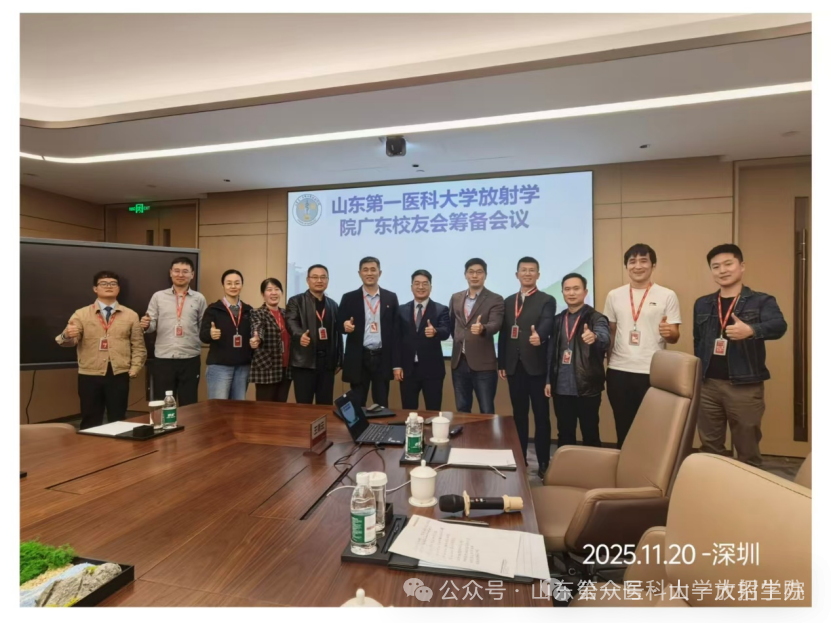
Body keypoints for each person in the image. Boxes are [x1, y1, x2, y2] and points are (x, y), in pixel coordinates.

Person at [694, 244, 787, 467]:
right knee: (710, 447)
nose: (722, 270)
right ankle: (712, 485)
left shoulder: (762, 301)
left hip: (744, 386)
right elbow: (698, 340)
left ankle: (746, 487)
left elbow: (779, 326)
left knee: (747, 449)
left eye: (728, 264)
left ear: (741, 266)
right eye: (716, 266)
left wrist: (752, 330)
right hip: (708, 385)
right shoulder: (703, 303)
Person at [604, 243, 682, 448]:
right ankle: (624, 465)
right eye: (632, 262)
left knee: (651, 428)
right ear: (626, 266)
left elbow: (674, 335)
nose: (637, 266)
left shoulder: (667, 295)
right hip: (619, 371)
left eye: (643, 261)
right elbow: (611, 331)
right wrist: (608, 363)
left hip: (652, 371)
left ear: (653, 265)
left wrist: (670, 333)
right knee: (623, 427)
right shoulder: (614, 295)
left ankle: (649, 466)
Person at [56, 271, 146, 429]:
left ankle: (118, 445)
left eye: (113, 283)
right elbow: (67, 341)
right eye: (104, 283)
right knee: (90, 420)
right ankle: (90, 445)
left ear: (119, 288)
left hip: (119, 374)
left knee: (118, 420)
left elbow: (138, 345)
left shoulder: (131, 315)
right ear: (95, 289)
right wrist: (67, 335)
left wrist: (135, 368)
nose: (109, 286)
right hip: (89, 374)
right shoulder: (81, 314)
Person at [498, 257, 556, 474]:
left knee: (541, 417)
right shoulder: (508, 301)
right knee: (519, 416)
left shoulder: (546, 299)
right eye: (524, 270)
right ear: (517, 275)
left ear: (538, 275)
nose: (528, 274)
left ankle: (543, 463)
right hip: (514, 367)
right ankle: (520, 459)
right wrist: (502, 362)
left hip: (537, 367)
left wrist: (540, 335)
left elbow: (548, 321)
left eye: (532, 270)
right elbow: (504, 333)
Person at [545, 273, 610, 455]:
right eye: (567, 289)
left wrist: (595, 337)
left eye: (576, 289)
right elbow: (551, 352)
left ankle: (593, 469)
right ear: (562, 293)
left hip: (587, 387)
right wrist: (549, 380)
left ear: (585, 292)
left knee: (590, 433)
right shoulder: (558, 320)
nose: (571, 293)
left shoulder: (596, 318)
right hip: (561, 388)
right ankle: (566, 469)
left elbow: (605, 338)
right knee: (565, 434)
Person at [140, 257, 206, 405]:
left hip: (190, 357)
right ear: (171, 273)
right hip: (164, 358)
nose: (180, 275)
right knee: (163, 403)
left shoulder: (199, 298)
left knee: (189, 404)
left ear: (192, 275)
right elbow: (151, 325)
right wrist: (146, 325)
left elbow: (203, 327)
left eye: (185, 271)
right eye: (176, 271)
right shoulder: (158, 296)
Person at [338, 257, 399, 407]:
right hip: (359, 357)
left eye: (373, 270)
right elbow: (339, 325)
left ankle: (382, 423)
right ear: (359, 273)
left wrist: (396, 363)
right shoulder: (349, 298)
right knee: (357, 403)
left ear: (380, 273)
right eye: (365, 270)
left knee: (382, 402)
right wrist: (345, 326)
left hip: (382, 357)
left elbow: (396, 330)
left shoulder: (391, 298)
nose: (369, 273)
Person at [448, 258, 505, 414]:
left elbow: (496, 324)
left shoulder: (495, 299)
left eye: (479, 272)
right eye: (471, 272)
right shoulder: (456, 298)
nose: (474, 276)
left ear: (485, 275)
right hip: (459, 363)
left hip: (483, 365)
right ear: (465, 275)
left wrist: (482, 328)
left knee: (486, 410)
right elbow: (453, 325)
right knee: (462, 409)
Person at [392, 269, 451, 411]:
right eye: (417, 283)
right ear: (411, 286)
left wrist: (435, 331)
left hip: (433, 370)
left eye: (425, 284)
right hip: (408, 370)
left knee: (433, 411)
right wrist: (397, 366)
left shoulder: (441, 309)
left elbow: (446, 331)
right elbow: (396, 339)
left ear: (431, 287)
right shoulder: (401, 310)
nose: (421, 287)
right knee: (409, 411)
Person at [285, 264, 342, 405]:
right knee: (304, 406)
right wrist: (300, 335)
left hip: (327, 364)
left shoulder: (333, 305)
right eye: (315, 277)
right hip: (304, 362)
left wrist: (339, 359)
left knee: (325, 405)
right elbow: (291, 322)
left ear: (328, 280)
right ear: (307, 280)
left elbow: (338, 334)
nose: (319, 280)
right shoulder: (296, 301)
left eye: (323, 277)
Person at [199, 269, 257, 400]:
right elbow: (203, 335)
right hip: (220, 366)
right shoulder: (213, 309)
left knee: (238, 408)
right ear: (223, 286)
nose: (233, 286)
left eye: (237, 283)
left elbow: (254, 335)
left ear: (242, 285)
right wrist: (210, 334)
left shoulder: (249, 310)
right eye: (229, 283)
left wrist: (256, 341)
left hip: (242, 367)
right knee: (218, 408)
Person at [249, 278, 292, 402]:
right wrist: (257, 338)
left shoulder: (286, 314)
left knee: (281, 406)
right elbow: (257, 327)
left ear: (281, 292)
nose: (273, 293)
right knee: (265, 407)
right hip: (267, 367)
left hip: (286, 367)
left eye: (277, 289)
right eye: (269, 290)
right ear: (263, 294)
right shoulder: (257, 313)